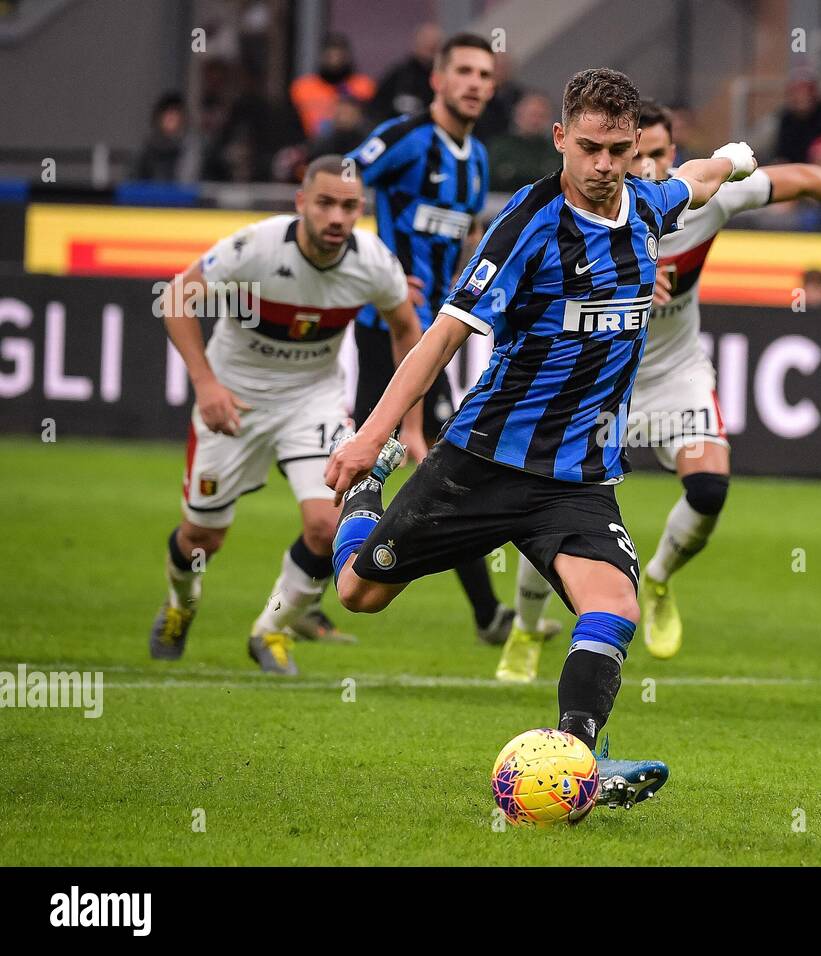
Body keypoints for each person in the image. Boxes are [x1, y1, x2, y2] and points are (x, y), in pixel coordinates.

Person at [325, 69, 757, 807]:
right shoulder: (528, 226)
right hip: (485, 462)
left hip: (579, 480)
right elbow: (442, 338)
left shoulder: (647, 206)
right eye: (589, 147)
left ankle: (576, 764)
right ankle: (366, 497)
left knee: (613, 608)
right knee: (359, 592)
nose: (604, 166)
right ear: (560, 138)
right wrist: (372, 438)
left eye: (619, 150)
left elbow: (696, 179)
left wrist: (736, 158)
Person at [494, 100, 821, 677]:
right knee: (552, 510)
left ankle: (659, 579)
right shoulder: (580, 215)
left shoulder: (705, 201)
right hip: (594, 386)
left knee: (710, 489)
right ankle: (524, 626)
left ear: (675, 154)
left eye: (658, 154)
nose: (645, 168)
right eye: (634, 157)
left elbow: (810, 179)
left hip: (675, 378)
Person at [150, 155, 422, 676]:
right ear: (301, 203)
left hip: (312, 402)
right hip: (234, 400)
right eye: (325, 203)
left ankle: (271, 629)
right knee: (203, 538)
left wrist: (410, 426)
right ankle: (181, 604)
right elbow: (177, 297)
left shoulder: (372, 261)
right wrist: (206, 384)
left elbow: (407, 329)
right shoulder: (257, 246)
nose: (337, 217)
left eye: (349, 206)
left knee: (326, 527)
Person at [346, 32, 529, 645]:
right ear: (438, 79)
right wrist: (377, 267)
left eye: (486, 74)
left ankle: (485, 615)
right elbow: (337, 186)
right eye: (466, 72)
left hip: (433, 340)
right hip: (386, 334)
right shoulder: (405, 139)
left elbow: (462, 243)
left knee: (439, 467)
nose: (478, 83)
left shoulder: (475, 158)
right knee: (398, 465)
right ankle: (315, 585)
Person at [290, 34, 376, 140]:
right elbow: (291, 122)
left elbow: (371, 121)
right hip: (311, 146)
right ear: (321, 57)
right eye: (330, 56)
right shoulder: (302, 87)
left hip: (354, 144)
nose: (334, 61)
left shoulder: (364, 86)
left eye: (339, 56)